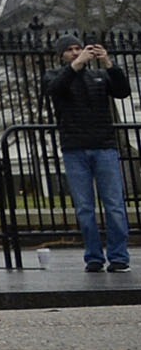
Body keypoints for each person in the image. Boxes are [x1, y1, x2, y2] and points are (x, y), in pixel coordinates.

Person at [44, 34, 132, 273]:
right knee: (84, 208)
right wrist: (76, 65)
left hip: (104, 146)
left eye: (78, 48)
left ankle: (119, 256)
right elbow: (55, 89)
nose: (76, 52)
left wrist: (109, 64)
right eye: (70, 50)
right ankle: (93, 256)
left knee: (114, 205)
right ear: (61, 55)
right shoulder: (55, 75)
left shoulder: (99, 76)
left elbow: (122, 91)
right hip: (74, 148)